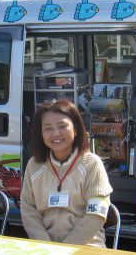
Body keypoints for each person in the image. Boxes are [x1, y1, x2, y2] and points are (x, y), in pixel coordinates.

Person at [21, 99, 112, 246]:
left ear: (75, 129)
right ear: (40, 133)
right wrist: (46, 246)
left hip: (86, 247)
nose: (56, 133)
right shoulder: (34, 165)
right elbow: (28, 210)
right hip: (45, 248)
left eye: (62, 126)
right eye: (48, 128)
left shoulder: (91, 164)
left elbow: (96, 214)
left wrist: (65, 249)